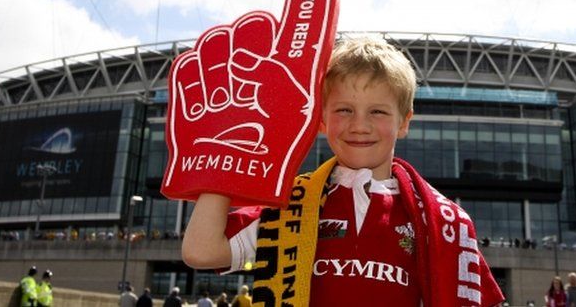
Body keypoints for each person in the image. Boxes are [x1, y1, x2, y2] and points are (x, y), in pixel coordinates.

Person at [182, 37, 504, 306]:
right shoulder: (292, 204)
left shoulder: (442, 220)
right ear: (321, 119)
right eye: (344, 110)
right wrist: (221, 152)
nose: (359, 125)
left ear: (404, 122)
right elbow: (201, 251)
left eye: (377, 111)